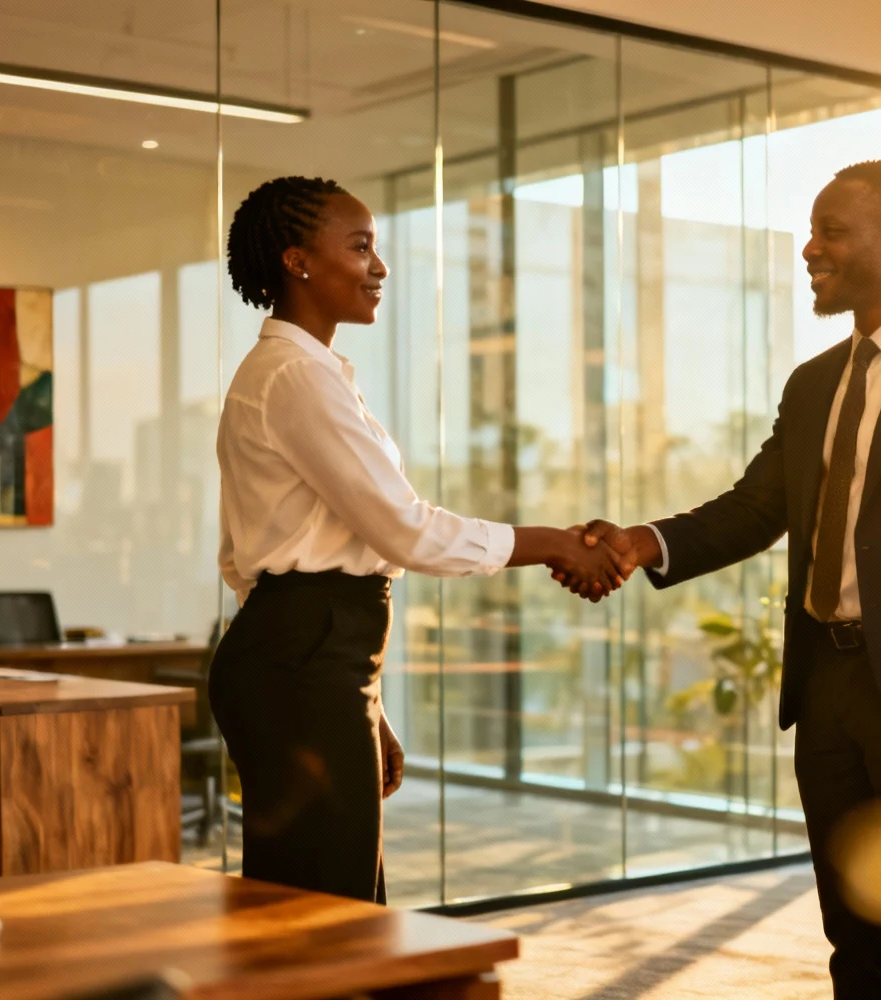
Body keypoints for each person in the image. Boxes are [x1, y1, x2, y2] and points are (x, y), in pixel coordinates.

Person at [558, 160, 881, 997]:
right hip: (825, 690)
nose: (810, 249)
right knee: (854, 941)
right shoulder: (816, 381)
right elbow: (756, 508)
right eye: (813, 232)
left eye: (832, 232)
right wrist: (642, 542)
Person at [212, 175, 627, 903]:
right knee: (327, 911)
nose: (379, 266)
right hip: (301, 663)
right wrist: (557, 545)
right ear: (297, 261)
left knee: (324, 900)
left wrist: (368, 707)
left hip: (308, 660)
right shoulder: (294, 378)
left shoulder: (303, 374)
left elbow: (255, 569)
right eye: (360, 247)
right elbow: (405, 531)